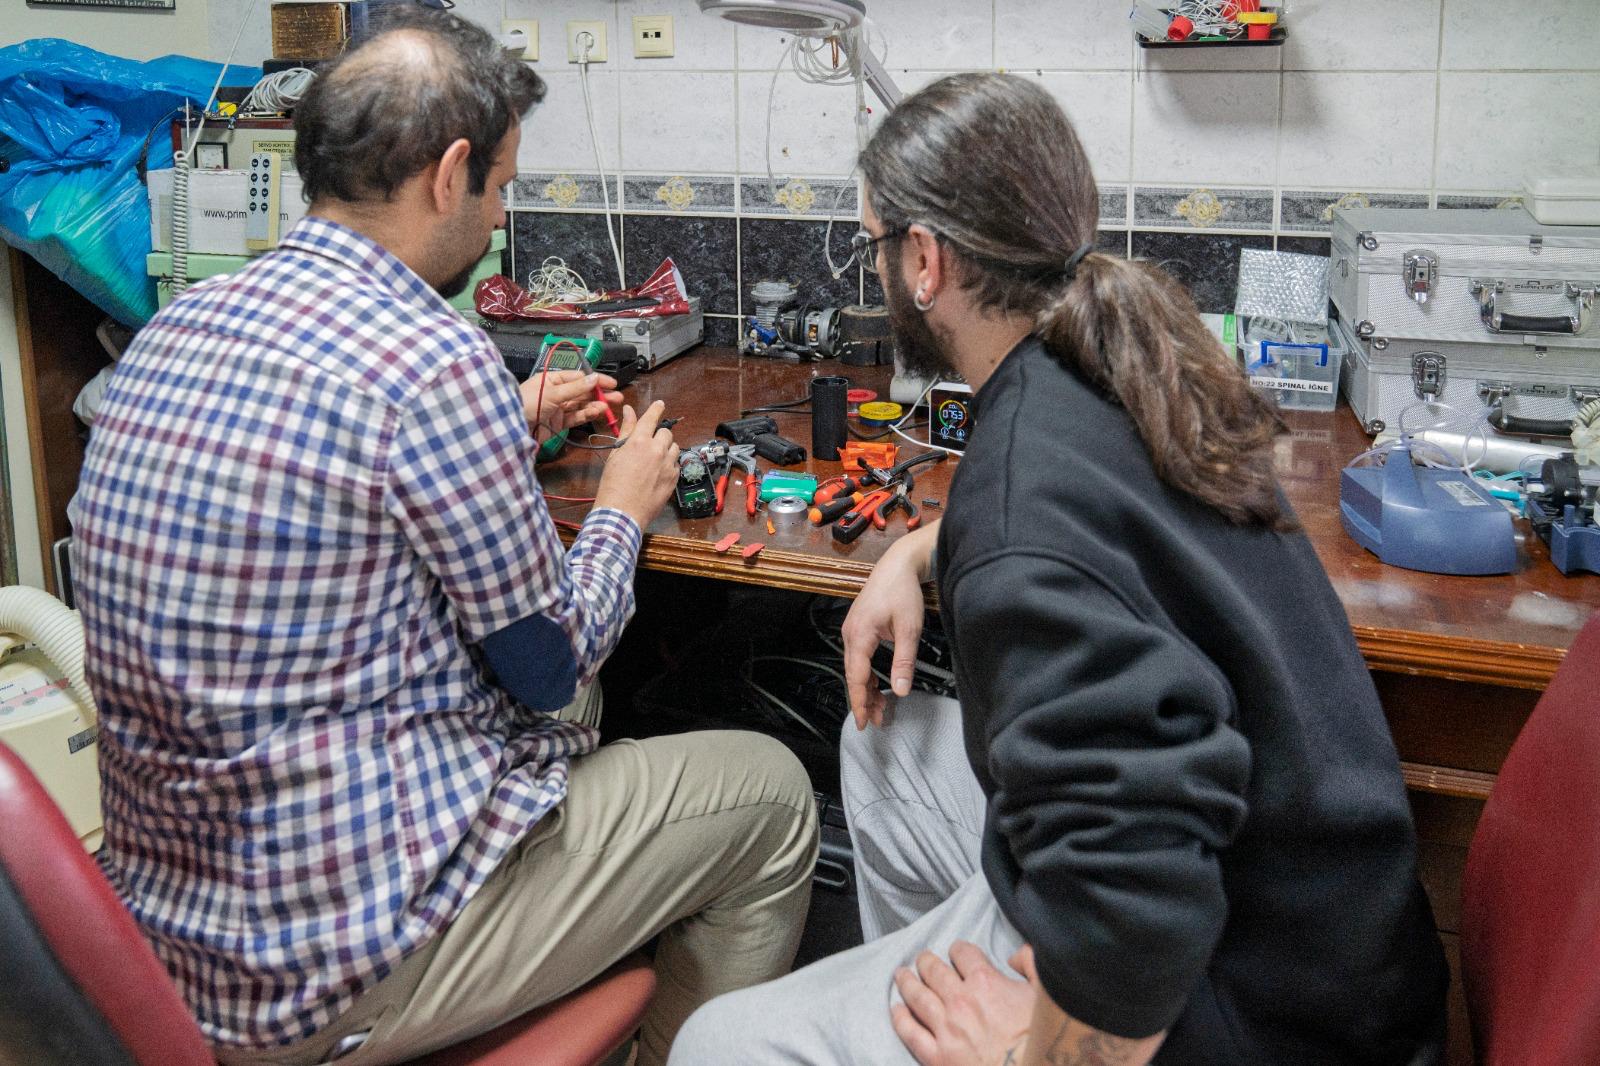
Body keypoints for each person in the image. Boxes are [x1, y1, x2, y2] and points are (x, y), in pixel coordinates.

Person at [69, 12, 817, 1066]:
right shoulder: (433, 358)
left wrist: (504, 422)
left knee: (581, 713)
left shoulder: (183, 325)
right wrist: (622, 506)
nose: (500, 211)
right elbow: (549, 664)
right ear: (449, 173)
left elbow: (323, 465)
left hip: (172, 945)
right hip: (335, 970)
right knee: (770, 794)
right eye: (502, 186)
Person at [669, 72, 1447, 1066]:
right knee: (882, 746)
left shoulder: (1021, 508)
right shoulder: (1126, 367)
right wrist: (918, 546)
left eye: (875, 247)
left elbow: (1143, 887)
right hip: (1332, 934)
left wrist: (1026, 1051)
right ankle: (939, 1007)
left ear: (924, 260)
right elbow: (1095, 537)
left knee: (719, 1043)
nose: (878, 270)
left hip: (1251, 1012)